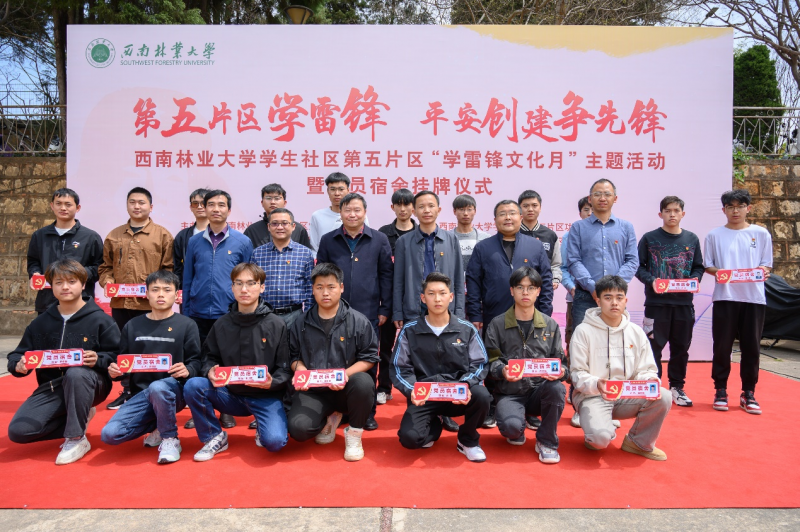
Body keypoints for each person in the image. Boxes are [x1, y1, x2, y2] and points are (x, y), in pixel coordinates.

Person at [7, 259, 120, 464]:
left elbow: (118, 355)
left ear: (83, 284)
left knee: (76, 372)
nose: (65, 287)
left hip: (90, 383)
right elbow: (17, 354)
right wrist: (18, 365)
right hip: (52, 387)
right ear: (51, 286)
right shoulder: (40, 323)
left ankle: (76, 438)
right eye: (59, 282)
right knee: (19, 432)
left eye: (71, 281)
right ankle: (80, 416)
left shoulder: (101, 320)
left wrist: (99, 359)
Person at [183, 263, 291, 461]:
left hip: (265, 396)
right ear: (232, 287)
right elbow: (209, 357)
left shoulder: (277, 324)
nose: (244, 289)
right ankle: (214, 436)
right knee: (194, 385)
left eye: (251, 283)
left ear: (262, 287)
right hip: (230, 394)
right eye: (238, 283)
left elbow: (285, 367)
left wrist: (272, 382)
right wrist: (210, 370)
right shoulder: (221, 324)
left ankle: (262, 425)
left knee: (275, 442)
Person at [100, 270, 202, 463]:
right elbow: (123, 362)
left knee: (158, 387)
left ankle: (170, 438)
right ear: (146, 294)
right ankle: (157, 425)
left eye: (167, 290)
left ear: (176, 295)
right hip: (141, 395)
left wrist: (188, 369)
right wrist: (116, 372)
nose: (161, 294)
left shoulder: (187, 325)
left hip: (173, 392)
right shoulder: (132, 326)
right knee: (110, 435)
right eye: (155, 290)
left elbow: (196, 361)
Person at [391, 272, 491, 462]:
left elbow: (480, 363)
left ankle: (468, 440)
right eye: (431, 293)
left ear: (451, 297)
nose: (437, 299)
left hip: (457, 395)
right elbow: (399, 367)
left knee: (482, 396)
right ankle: (433, 423)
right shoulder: (410, 330)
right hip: (425, 397)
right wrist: (412, 390)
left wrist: (465, 385)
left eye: (442, 293)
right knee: (410, 439)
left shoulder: (466, 329)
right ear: (423, 298)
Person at [570, 275, 672, 461]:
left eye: (619, 297)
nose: (614, 303)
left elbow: (647, 369)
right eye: (608, 298)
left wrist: (649, 380)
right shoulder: (583, 331)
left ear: (626, 300)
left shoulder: (636, 332)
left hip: (626, 396)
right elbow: (577, 374)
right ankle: (598, 430)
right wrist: (597, 383)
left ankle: (638, 442)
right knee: (599, 440)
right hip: (593, 396)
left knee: (663, 396)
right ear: (598, 301)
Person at [287, 263, 378, 462]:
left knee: (364, 382)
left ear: (341, 287)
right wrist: (300, 370)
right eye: (319, 287)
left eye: (331, 287)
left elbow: (370, 357)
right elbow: (293, 356)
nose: (325, 293)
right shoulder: (301, 323)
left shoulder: (358, 321)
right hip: (314, 391)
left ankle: (354, 434)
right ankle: (330, 418)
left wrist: (346, 374)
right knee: (298, 429)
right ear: (313, 290)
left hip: (345, 388)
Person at [316, 193, 393, 431]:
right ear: (340, 213)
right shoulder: (328, 240)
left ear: (365, 212)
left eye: (357, 210)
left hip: (369, 312)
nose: (352, 214)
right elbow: (321, 276)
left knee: (368, 362)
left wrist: (385, 308)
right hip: (334, 313)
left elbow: (386, 275)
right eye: (347, 210)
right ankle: (341, 408)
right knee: (337, 359)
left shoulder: (379, 239)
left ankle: (367, 412)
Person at [182, 190, 254, 430]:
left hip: (229, 313)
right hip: (198, 312)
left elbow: (248, 280)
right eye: (211, 204)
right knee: (200, 361)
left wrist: (244, 311)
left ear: (229, 210)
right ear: (204, 208)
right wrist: (186, 312)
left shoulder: (242, 242)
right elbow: (188, 278)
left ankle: (226, 410)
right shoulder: (194, 241)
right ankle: (201, 409)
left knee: (227, 360)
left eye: (221, 205)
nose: (216, 209)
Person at [98, 186, 173, 410]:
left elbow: (169, 270)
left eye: (141, 202)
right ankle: (128, 390)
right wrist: (107, 282)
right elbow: (105, 267)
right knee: (125, 348)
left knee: (151, 348)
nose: (137, 206)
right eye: (132, 202)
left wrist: (158, 291)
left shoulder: (162, 235)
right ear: (127, 205)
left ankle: (154, 391)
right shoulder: (114, 235)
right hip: (121, 303)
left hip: (150, 305)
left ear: (151, 206)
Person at [484, 267, 568, 464]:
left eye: (531, 288)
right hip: (509, 393)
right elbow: (490, 362)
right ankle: (517, 425)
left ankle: (547, 441)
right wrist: (502, 370)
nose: (525, 292)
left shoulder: (550, 325)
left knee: (557, 388)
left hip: (540, 390)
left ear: (538, 291)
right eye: (520, 287)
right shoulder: (497, 324)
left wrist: (561, 372)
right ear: (512, 291)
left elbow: (561, 364)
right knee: (512, 430)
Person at [703, 189, 773, 414]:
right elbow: (708, 265)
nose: (735, 211)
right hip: (725, 297)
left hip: (753, 298)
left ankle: (748, 392)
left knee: (751, 347)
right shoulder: (714, 235)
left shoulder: (760, 234)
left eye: (740, 206)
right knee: (722, 346)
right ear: (723, 209)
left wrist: (763, 271)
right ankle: (720, 390)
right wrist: (722, 273)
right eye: (730, 207)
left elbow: (766, 264)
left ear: (748, 208)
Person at [635, 196, 705, 407]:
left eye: (676, 210)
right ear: (661, 214)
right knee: (653, 347)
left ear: (683, 214)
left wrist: (694, 280)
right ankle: (653, 385)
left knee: (681, 348)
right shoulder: (650, 238)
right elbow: (638, 267)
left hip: (684, 304)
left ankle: (677, 387)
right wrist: (652, 281)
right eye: (667, 211)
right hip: (656, 305)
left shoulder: (691, 239)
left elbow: (698, 267)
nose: (672, 214)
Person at [566, 178, 638, 328]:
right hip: (586, 296)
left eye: (607, 194)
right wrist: (593, 287)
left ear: (615, 198)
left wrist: (613, 287)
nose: (602, 198)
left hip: (615, 298)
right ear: (590, 198)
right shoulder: (578, 227)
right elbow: (573, 261)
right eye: (597, 194)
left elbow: (632, 261)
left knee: (615, 338)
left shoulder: (626, 227)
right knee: (583, 339)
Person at [393, 190, 464, 329]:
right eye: (421, 207)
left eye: (431, 206)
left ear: (439, 210)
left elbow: (459, 279)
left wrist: (460, 313)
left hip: (445, 308)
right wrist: (397, 312)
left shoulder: (451, 239)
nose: (426, 210)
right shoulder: (404, 241)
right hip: (415, 308)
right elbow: (398, 281)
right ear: (414, 211)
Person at [26, 188, 104, 315]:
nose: (63, 208)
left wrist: (78, 275)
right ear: (52, 206)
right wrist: (35, 273)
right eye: (58, 203)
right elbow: (33, 261)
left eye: (68, 204)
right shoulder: (40, 235)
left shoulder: (90, 237)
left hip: (81, 302)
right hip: (47, 302)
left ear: (77, 208)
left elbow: (100, 267)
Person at [376, 189, 417, 406]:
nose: (403, 209)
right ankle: (384, 387)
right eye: (398, 204)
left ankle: (418, 386)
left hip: (414, 298)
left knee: (418, 347)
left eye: (407, 204)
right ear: (392, 207)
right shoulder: (383, 234)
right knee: (385, 347)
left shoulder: (420, 232)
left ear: (413, 207)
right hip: (389, 298)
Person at [250, 207, 314, 329]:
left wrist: (307, 316)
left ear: (293, 226)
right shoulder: (258, 253)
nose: (280, 227)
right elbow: (253, 285)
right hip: (265, 315)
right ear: (268, 227)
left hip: (295, 315)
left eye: (285, 223)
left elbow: (310, 287)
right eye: (275, 224)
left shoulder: (305, 253)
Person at [308, 173, 369, 253]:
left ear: (348, 190)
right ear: (327, 191)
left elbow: (366, 242)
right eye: (333, 189)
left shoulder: (358, 216)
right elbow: (314, 247)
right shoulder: (317, 216)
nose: (337, 193)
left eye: (341, 189)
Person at [561, 197, 593, 351]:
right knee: (575, 339)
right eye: (586, 209)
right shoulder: (569, 236)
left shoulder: (610, 234)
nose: (590, 213)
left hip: (603, 298)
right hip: (576, 297)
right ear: (580, 213)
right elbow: (563, 267)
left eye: (593, 209)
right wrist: (572, 288)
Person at [243, 183, 312, 249]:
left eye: (277, 198)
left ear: (284, 202)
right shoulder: (252, 230)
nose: (273, 202)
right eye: (268, 198)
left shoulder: (298, 229)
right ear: (262, 203)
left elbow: (305, 253)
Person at [518, 190, 563, 290]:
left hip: (543, 288)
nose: (530, 209)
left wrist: (555, 279)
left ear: (540, 208)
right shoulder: (513, 234)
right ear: (519, 209)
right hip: (518, 288)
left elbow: (555, 264)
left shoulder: (550, 235)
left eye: (534, 205)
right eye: (525, 206)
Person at [173, 188, 210, 290]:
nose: (199, 207)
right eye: (195, 203)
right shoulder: (182, 236)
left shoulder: (221, 234)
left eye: (203, 203)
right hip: (190, 290)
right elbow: (177, 267)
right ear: (191, 207)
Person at [451, 194, 491, 271]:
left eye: (469, 209)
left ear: (475, 211)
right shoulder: (447, 237)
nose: (465, 213)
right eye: (461, 209)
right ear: (454, 211)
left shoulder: (486, 238)